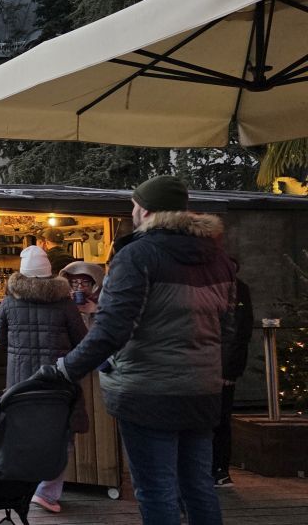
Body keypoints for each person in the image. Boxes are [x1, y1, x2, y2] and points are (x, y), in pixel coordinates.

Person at [53, 176, 234, 525]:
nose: (132, 212)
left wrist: (63, 370)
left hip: (147, 392)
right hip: (202, 390)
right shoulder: (218, 258)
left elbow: (110, 330)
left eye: (134, 206)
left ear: (146, 211)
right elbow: (228, 327)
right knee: (198, 485)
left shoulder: (137, 255)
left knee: (156, 490)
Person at [0, 246, 89, 513]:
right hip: (58, 380)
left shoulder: (9, 302)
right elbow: (82, 340)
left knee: (23, 433)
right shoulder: (65, 303)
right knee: (61, 433)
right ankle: (47, 492)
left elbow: (1, 336)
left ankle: (23, 488)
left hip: (20, 381)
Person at [214, 258, 254, 488]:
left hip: (222, 367)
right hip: (203, 365)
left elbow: (241, 332)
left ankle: (219, 468)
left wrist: (231, 370)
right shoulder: (206, 287)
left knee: (220, 419)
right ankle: (214, 469)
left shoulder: (239, 290)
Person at [59, 261, 105, 328]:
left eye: (85, 282)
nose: (80, 286)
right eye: (75, 282)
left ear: (94, 284)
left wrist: (96, 309)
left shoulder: (106, 299)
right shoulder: (63, 300)